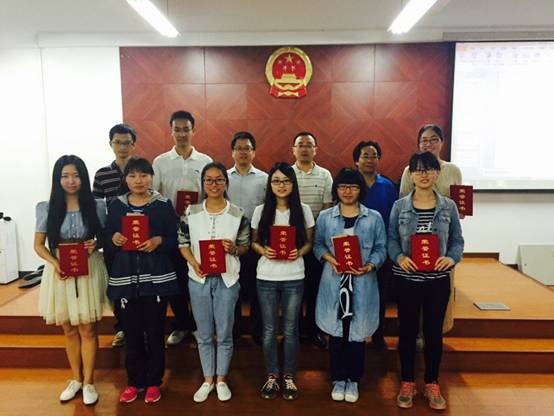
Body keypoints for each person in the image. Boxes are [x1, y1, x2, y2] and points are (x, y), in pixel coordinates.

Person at [389, 152, 464, 410]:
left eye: (429, 169)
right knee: (407, 332)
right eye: (418, 170)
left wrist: (451, 258)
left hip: (437, 281)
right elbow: (391, 239)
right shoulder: (399, 206)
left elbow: (457, 240)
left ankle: (432, 382)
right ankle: (407, 382)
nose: (423, 174)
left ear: (437, 174)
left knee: (433, 333)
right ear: (410, 175)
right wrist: (399, 257)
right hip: (407, 280)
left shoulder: (448, 207)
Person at [105, 157, 180, 404]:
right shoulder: (115, 206)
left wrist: (159, 241)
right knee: (132, 334)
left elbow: (175, 239)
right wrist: (114, 239)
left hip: (156, 278)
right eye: (133, 175)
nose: (139, 180)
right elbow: (107, 239)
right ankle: (134, 381)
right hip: (125, 279)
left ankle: (154, 382)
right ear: (125, 179)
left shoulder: (163, 205)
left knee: (155, 332)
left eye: (144, 175)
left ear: (152, 178)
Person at [34, 155, 108, 405]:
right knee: (68, 328)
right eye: (65, 176)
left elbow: (105, 237)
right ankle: (75, 378)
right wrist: (55, 263)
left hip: (88, 269)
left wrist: (96, 244)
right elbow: (38, 245)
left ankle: (89, 382)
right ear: (58, 179)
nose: (71, 180)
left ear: (83, 178)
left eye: (76, 175)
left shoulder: (97, 205)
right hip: (60, 271)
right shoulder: (46, 207)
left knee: (87, 328)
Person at [178, 162, 250, 403]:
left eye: (219, 179)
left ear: (226, 183)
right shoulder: (191, 212)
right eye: (208, 180)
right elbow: (182, 243)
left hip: (227, 280)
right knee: (204, 333)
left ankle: (221, 379)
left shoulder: (238, 213)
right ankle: (207, 379)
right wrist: (194, 263)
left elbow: (245, 245)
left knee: (225, 332)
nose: (214, 184)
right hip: (198, 278)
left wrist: (234, 249)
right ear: (203, 184)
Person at [314, 168, 386, 403]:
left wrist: (370, 265)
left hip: (362, 282)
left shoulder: (373, 217)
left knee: (356, 333)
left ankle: (353, 379)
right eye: (343, 186)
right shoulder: (325, 217)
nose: (347, 191)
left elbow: (381, 248)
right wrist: (330, 259)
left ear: (360, 190)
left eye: (353, 187)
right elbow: (317, 245)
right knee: (336, 332)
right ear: (336, 189)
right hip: (334, 281)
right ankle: (338, 378)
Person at [251, 162, 315, 401]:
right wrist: (263, 250)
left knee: (290, 329)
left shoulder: (303, 210)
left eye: (286, 181)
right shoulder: (260, 210)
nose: (281, 185)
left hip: (294, 277)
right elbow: (253, 242)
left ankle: (288, 376)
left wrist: (299, 252)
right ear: (270, 184)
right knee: (269, 330)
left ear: (293, 184)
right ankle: (271, 375)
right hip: (266, 277)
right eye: (276, 181)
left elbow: (309, 243)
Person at [153, 110, 212, 345]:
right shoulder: (160, 161)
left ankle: (199, 325)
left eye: (186, 129)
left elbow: (210, 193)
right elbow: (155, 194)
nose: (181, 134)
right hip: (170, 229)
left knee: (198, 276)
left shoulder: (205, 161)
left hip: (198, 228)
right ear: (171, 131)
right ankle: (182, 324)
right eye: (177, 130)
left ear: (193, 130)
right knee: (175, 278)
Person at [399, 124, 463, 336]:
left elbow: (459, 203)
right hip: (414, 240)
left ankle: (438, 332)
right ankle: (417, 334)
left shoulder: (452, 170)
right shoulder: (409, 170)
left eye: (433, 139)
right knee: (414, 295)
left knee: (441, 288)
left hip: (442, 238)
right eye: (424, 140)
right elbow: (403, 202)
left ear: (442, 142)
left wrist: (459, 211)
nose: (429, 143)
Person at [93, 123, 137, 348]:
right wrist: (104, 238)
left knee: (139, 284)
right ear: (110, 144)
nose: (122, 147)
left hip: (139, 238)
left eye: (127, 142)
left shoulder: (141, 170)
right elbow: (97, 210)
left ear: (133, 144)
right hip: (113, 240)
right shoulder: (102, 174)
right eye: (118, 142)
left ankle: (140, 327)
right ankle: (121, 327)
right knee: (117, 284)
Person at [353, 140, 398, 349]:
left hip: (381, 249)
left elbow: (394, 218)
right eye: (365, 156)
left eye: (374, 156)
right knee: (355, 293)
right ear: (356, 161)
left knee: (379, 293)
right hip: (354, 249)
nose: (370, 160)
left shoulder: (387, 186)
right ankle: (356, 332)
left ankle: (378, 334)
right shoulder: (350, 185)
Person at [291, 131, 333, 348]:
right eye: (301, 145)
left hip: (316, 242)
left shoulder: (325, 175)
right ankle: (295, 331)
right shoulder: (287, 174)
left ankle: (314, 330)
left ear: (315, 150)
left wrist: (315, 238)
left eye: (309, 145)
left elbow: (327, 209)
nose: (305, 148)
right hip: (291, 242)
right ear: (293, 150)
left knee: (314, 288)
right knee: (294, 288)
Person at [227, 131, 267, 342]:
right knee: (232, 287)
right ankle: (234, 332)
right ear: (232, 152)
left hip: (255, 241)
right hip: (230, 241)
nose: (243, 152)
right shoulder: (223, 178)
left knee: (257, 288)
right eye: (239, 148)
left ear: (254, 152)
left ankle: (257, 331)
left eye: (247, 148)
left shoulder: (264, 179)